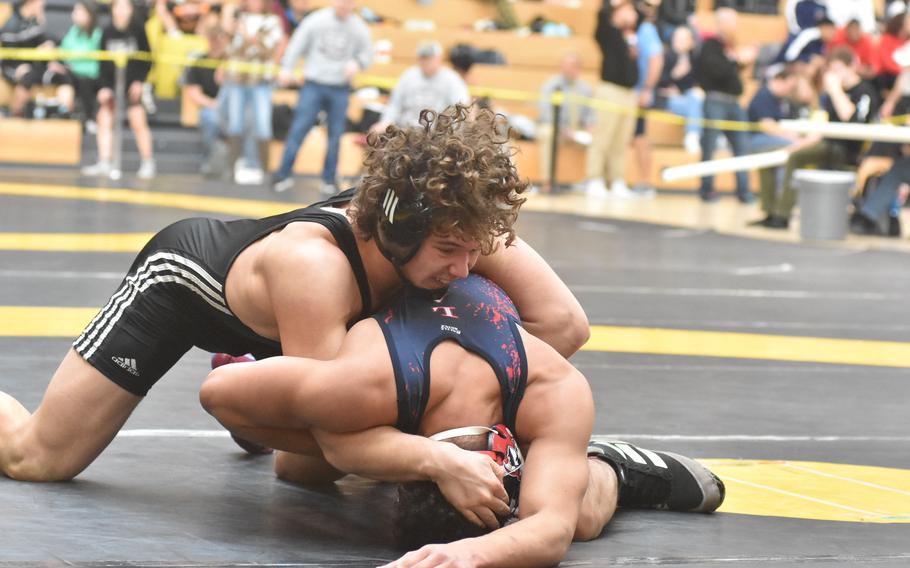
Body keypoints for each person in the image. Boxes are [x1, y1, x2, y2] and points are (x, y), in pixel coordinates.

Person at [0, 107, 589, 525]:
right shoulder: (316, 268)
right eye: (448, 252)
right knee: (39, 458)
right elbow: (327, 445)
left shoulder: (453, 223)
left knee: (348, 437)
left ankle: (268, 363)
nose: (466, 270)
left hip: (314, 327)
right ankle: (258, 360)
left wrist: (460, 392)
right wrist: (435, 452)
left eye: (474, 248)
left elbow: (564, 325)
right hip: (186, 286)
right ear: (400, 231)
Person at [199, 273, 726, 566]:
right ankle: (265, 358)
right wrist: (429, 458)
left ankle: (608, 465)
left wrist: (469, 555)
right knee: (298, 469)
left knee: (575, 516)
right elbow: (219, 393)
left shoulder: (551, 383)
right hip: (394, 359)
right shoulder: (377, 380)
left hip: (487, 332)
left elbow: (552, 530)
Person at [761, 47, 880, 230]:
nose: (835, 75)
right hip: (828, 143)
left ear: (852, 67)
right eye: (832, 71)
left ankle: (782, 214)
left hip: (850, 148)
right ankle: (774, 212)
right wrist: (803, 143)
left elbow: (853, 121)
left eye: (839, 69)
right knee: (781, 156)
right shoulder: (831, 94)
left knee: (797, 158)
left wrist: (835, 90)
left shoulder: (864, 91)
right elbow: (824, 125)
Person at [271, 0, 373, 194]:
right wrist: (286, 69)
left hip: (340, 88)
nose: (344, 5)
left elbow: (368, 55)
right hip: (313, 85)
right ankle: (282, 174)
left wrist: (357, 63)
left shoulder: (359, 27)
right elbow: (296, 44)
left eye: (349, 2)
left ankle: (328, 178)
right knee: (299, 129)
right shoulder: (316, 20)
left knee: (335, 135)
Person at [80, 0, 156, 179]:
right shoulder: (107, 32)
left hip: (132, 85)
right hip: (113, 84)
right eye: (118, 7)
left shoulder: (138, 29)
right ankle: (105, 161)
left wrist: (139, 81)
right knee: (103, 117)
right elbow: (102, 62)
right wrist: (105, 88)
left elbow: (146, 59)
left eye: (125, 7)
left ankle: (148, 162)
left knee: (138, 119)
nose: (121, 11)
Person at [220, 0, 285, 186]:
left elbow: (268, 50)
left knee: (263, 124)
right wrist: (232, 31)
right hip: (237, 79)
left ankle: (265, 171)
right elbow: (230, 50)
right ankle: (230, 170)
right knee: (235, 123)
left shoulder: (271, 21)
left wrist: (247, 37)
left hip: (260, 80)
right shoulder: (238, 20)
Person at [695, 7, 756, 203]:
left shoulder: (729, 46)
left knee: (742, 147)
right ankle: (707, 189)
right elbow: (717, 71)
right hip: (716, 100)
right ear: (721, 24)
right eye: (732, 22)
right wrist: (737, 60)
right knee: (709, 146)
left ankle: (744, 191)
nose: (735, 27)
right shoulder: (711, 45)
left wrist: (741, 61)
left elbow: (731, 73)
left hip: (733, 102)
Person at [585, 0, 639, 199]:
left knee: (621, 141)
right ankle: (594, 178)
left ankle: (617, 180)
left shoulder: (630, 37)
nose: (632, 13)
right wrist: (614, 7)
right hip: (610, 91)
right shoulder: (608, 33)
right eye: (628, 10)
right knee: (603, 137)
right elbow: (601, 15)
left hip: (629, 93)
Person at [746, 68, 808, 228]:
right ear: (779, 80)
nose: (790, 90)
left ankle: (776, 210)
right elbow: (767, 125)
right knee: (792, 153)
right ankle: (779, 209)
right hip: (757, 140)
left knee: (779, 165)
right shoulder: (764, 96)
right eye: (789, 85)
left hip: (771, 142)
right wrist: (794, 139)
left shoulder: (783, 100)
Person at [370, 41, 470, 131]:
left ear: (439, 58)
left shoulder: (452, 79)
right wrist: (385, 122)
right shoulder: (408, 76)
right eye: (423, 58)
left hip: (436, 134)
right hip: (406, 131)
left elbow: (462, 107)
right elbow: (395, 104)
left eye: (429, 58)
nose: (426, 61)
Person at [536, 52, 595, 193]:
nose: (568, 69)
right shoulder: (551, 85)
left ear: (579, 68)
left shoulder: (585, 89)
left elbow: (591, 114)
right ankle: (548, 180)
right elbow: (545, 112)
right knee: (547, 133)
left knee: (600, 138)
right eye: (565, 65)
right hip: (556, 127)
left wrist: (590, 127)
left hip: (577, 130)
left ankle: (592, 180)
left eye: (572, 66)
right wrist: (562, 129)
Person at [0, 0, 69, 118]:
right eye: (40, 2)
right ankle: (13, 115)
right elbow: (8, 59)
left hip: (36, 67)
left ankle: (64, 113)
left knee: (63, 75)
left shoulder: (35, 22)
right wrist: (19, 68)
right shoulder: (11, 25)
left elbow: (47, 40)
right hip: (14, 68)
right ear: (30, 3)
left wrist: (50, 53)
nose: (43, 5)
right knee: (28, 76)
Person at [183, 24, 228, 175]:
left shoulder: (231, 62)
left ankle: (236, 163)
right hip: (211, 106)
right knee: (210, 118)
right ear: (208, 41)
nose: (217, 43)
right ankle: (211, 159)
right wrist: (213, 104)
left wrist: (226, 74)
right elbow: (193, 92)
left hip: (231, 107)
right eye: (213, 39)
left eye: (220, 39)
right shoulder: (200, 62)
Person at [630, 0, 664, 198]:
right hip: (633, 91)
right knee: (635, 136)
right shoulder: (637, 30)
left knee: (640, 136)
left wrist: (647, 88)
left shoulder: (646, 29)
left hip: (639, 92)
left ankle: (645, 181)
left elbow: (656, 59)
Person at [657, 25, 703, 155]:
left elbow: (697, 83)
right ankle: (693, 135)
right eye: (677, 39)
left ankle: (693, 134)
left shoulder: (694, 59)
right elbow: (658, 81)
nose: (679, 43)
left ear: (691, 42)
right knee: (695, 103)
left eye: (683, 40)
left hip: (689, 99)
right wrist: (674, 75)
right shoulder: (666, 56)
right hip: (670, 100)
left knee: (696, 97)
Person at [57, 0, 103, 123]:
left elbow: (94, 65)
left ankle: (89, 119)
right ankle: (64, 115)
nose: (74, 14)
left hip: (91, 78)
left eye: (78, 11)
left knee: (83, 81)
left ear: (89, 14)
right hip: (71, 75)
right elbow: (63, 52)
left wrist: (73, 67)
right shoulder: (74, 31)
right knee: (63, 78)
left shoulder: (97, 35)